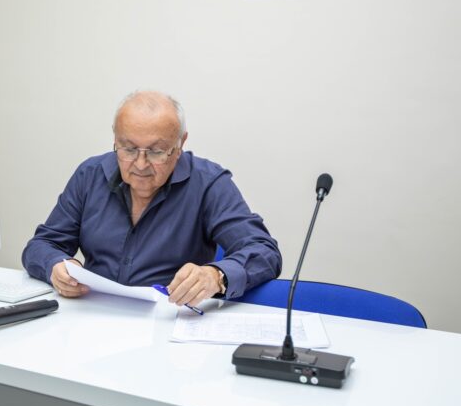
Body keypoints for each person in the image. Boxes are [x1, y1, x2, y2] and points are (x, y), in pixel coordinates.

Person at [22, 90, 281, 309]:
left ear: (180, 144)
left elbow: (264, 251)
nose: (141, 164)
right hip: (93, 316)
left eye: (157, 152)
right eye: (128, 149)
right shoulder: (90, 174)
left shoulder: (208, 183)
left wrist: (215, 276)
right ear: (115, 137)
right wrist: (55, 266)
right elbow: (42, 244)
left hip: (169, 322)